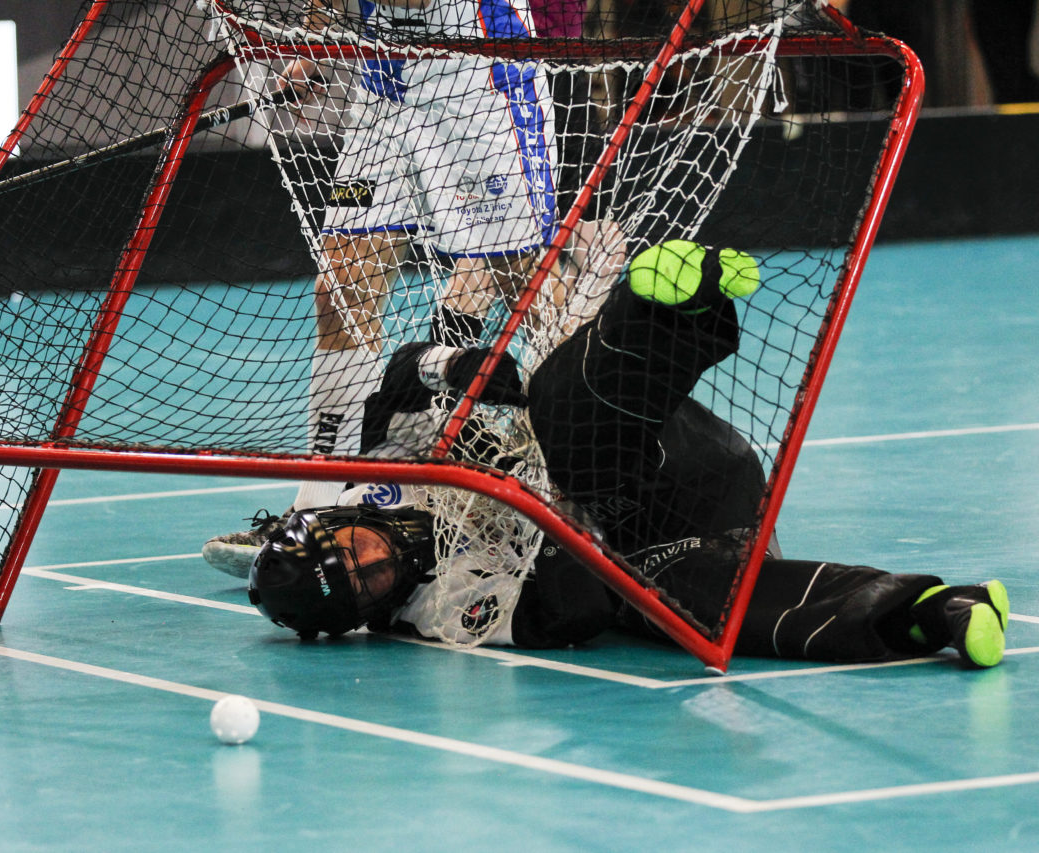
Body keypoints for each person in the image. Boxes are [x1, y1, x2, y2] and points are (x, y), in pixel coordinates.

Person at [247, 240, 1011, 668]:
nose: (374, 565)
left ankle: (665, 308)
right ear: (364, 617)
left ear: (329, 526)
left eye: (351, 551)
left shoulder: (357, 483)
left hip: (655, 435)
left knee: (559, 408)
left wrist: (456, 366)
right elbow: (573, 608)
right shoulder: (444, 613)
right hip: (671, 520)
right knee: (691, 609)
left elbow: (395, 376)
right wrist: (552, 511)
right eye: (365, 586)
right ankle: (929, 613)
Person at [203, 0, 574, 574]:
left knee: (527, 285)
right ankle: (319, 499)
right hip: (386, 96)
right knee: (339, 289)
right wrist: (313, 50)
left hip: (479, 89)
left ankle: (583, 485)